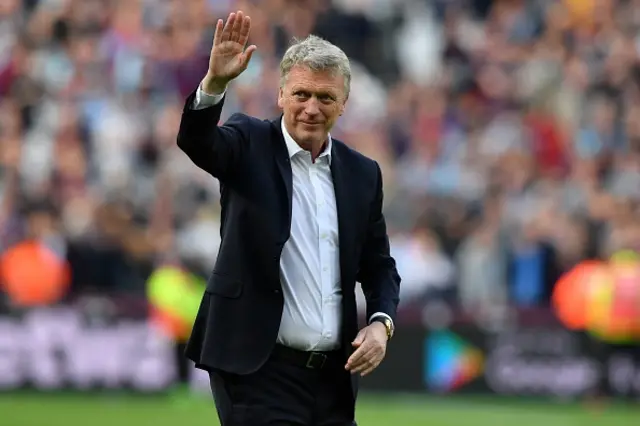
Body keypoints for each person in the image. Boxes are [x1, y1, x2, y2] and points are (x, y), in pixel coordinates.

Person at [179, 10, 401, 426]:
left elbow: (379, 266)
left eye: (325, 97)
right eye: (301, 94)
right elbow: (197, 141)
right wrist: (215, 84)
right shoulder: (249, 143)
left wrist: (379, 323)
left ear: (343, 104)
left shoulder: (362, 173)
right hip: (258, 372)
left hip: (334, 378)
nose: (312, 108)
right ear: (281, 95)